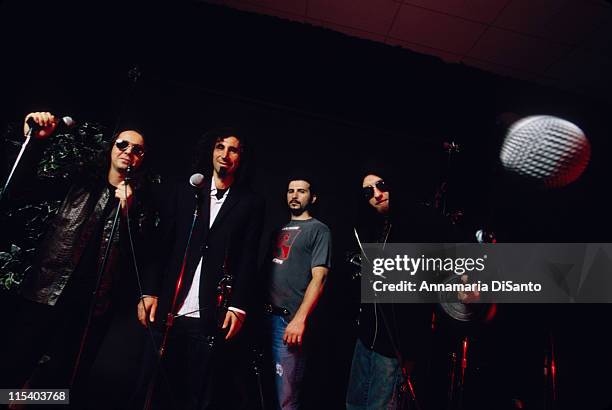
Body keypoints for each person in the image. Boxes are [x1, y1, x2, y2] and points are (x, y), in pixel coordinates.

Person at [1, 112, 150, 398]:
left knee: (57, 387)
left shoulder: (144, 207)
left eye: (137, 149)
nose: (128, 152)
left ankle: (28, 402)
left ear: (142, 159)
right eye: (122, 144)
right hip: (44, 293)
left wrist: (130, 212)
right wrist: (34, 143)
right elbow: (17, 191)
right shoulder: (80, 184)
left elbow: (138, 261)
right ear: (111, 148)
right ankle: (10, 400)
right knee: (11, 370)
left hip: (87, 309)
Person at [138, 127, 264, 409]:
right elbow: (162, 245)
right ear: (211, 151)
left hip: (210, 311)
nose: (225, 154)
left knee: (198, 394)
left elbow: (248, 257)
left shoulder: (250, 202)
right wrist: (149, 291)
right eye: (220, 147)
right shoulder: (186, 190)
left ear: (241, 158)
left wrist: (238, 306)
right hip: (169, 304)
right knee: (150, 387)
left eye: (233, 150)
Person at [345, 171, 434, 410]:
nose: (376, 194)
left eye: (381, 185)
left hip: (394, 347)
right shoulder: (374, 227)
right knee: (353, 404)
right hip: (366, 339)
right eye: (368, 192)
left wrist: (411, 351)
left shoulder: (416, 222)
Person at [264, 177, 332, 409]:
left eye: (301, 191)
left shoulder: (319, 230)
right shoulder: (279, 229)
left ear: (312, 197)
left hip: (288, 321)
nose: (294, 195)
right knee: (267, 391)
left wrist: (299, 320)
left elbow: (319, 278)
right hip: (267, 318)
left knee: (287, 397)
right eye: (291, 190)